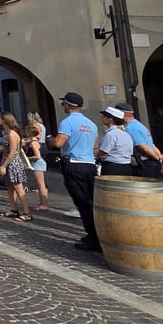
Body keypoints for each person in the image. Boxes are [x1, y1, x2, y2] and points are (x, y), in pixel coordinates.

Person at [49, 92, 101, 252]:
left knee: (82, 203)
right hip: (90, 165)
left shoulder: (67, 122)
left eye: (63, 104)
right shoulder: (91, 124)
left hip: (74, 164)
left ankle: (93, 238)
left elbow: (58, 143)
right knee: (91, 201)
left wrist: (50, 139)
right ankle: (97, 233)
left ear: (68, 105)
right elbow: (95, 145)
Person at [115, 103, 163, 178]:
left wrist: (158, 158)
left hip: (145, 164)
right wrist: (159, 156)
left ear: (122, 115)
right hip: (152, 163)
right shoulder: (139, 125)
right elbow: (152, 145)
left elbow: (144, 148)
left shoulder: (131, 128)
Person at [0, 113, 32, 222]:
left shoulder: (12, 134)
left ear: (5, 120)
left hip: (13, 163)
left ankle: (27, 213)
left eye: (0, 118)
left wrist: (3, 166)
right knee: (10, 187)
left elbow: (12, 153)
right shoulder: (6, 133)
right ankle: (14, 209)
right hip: (7, 161)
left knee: (19, 188)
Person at [95, 106, 135, 177]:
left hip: (112, 167)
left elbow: (103, 153)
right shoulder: (126, 134)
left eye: (104, 116)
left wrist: (96, 155)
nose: (102, 118)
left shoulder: (111, 134)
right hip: (127, 167)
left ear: (110, 119)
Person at [24, 123, 49, 211]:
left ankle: (44, 204)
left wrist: (27, 158)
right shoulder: (34, 141)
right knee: (40, 184)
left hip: (37, 163)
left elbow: (37, 156)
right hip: (38, 163)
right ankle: (42, 203)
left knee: (40, 184)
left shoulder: (33, 143)